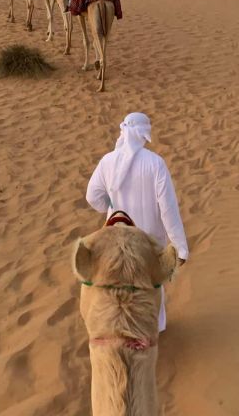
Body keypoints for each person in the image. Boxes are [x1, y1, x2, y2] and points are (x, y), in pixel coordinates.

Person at [85, 112, 189, 332]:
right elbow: (168, 209)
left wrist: (109, 206)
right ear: (143, 133)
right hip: (149, 240)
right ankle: (153, 330)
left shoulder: (107, 161)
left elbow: (92, 196)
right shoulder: (156, 164)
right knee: (151, 286)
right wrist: (180, 248)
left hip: (117, 237)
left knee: (121, 284)